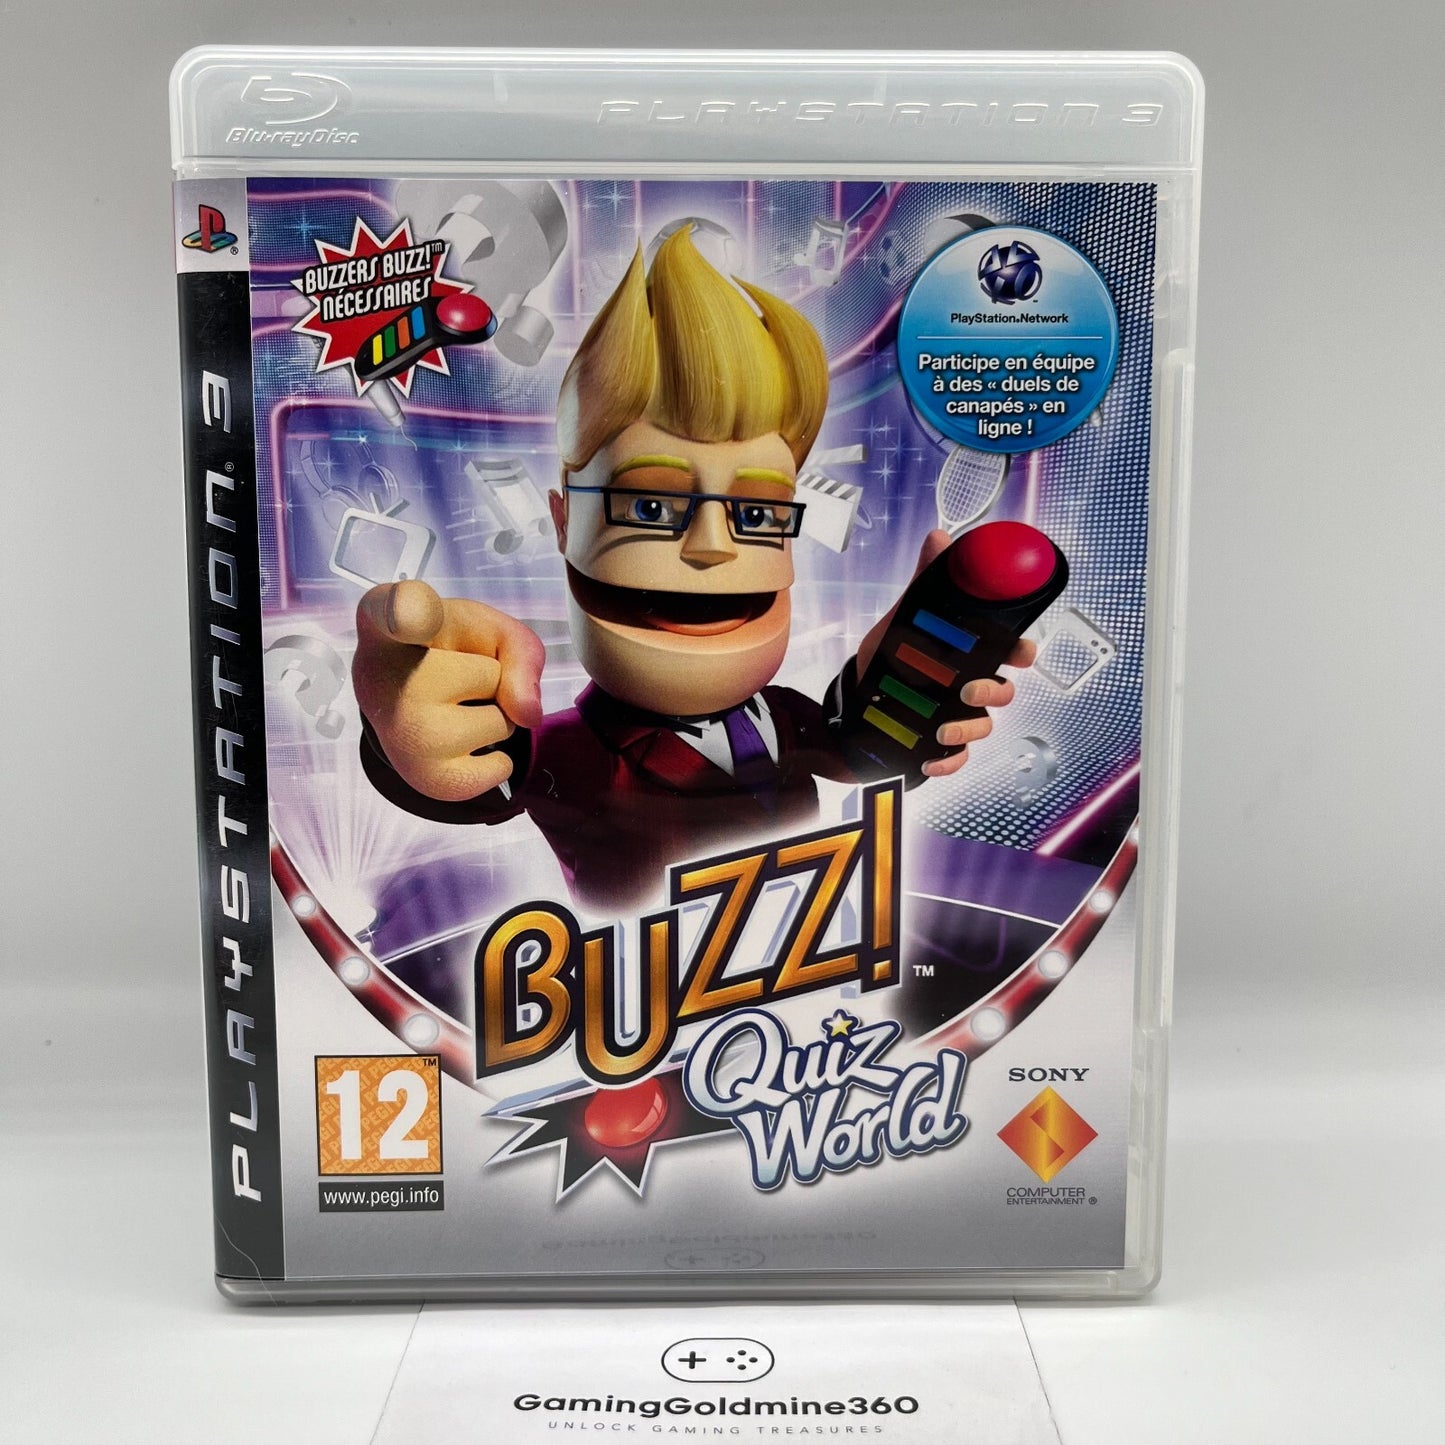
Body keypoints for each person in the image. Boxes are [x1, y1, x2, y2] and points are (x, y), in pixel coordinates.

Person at [353, 229, 1032, 910]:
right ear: (564, 520)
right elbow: (483, 776)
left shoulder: (783, 716)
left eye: (757, 512)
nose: (711, 546)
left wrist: (913, 681)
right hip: (631, 972)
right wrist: (407, 721)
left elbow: (861, 755)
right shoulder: (571, 750)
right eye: (652, 506)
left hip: (814, 952)